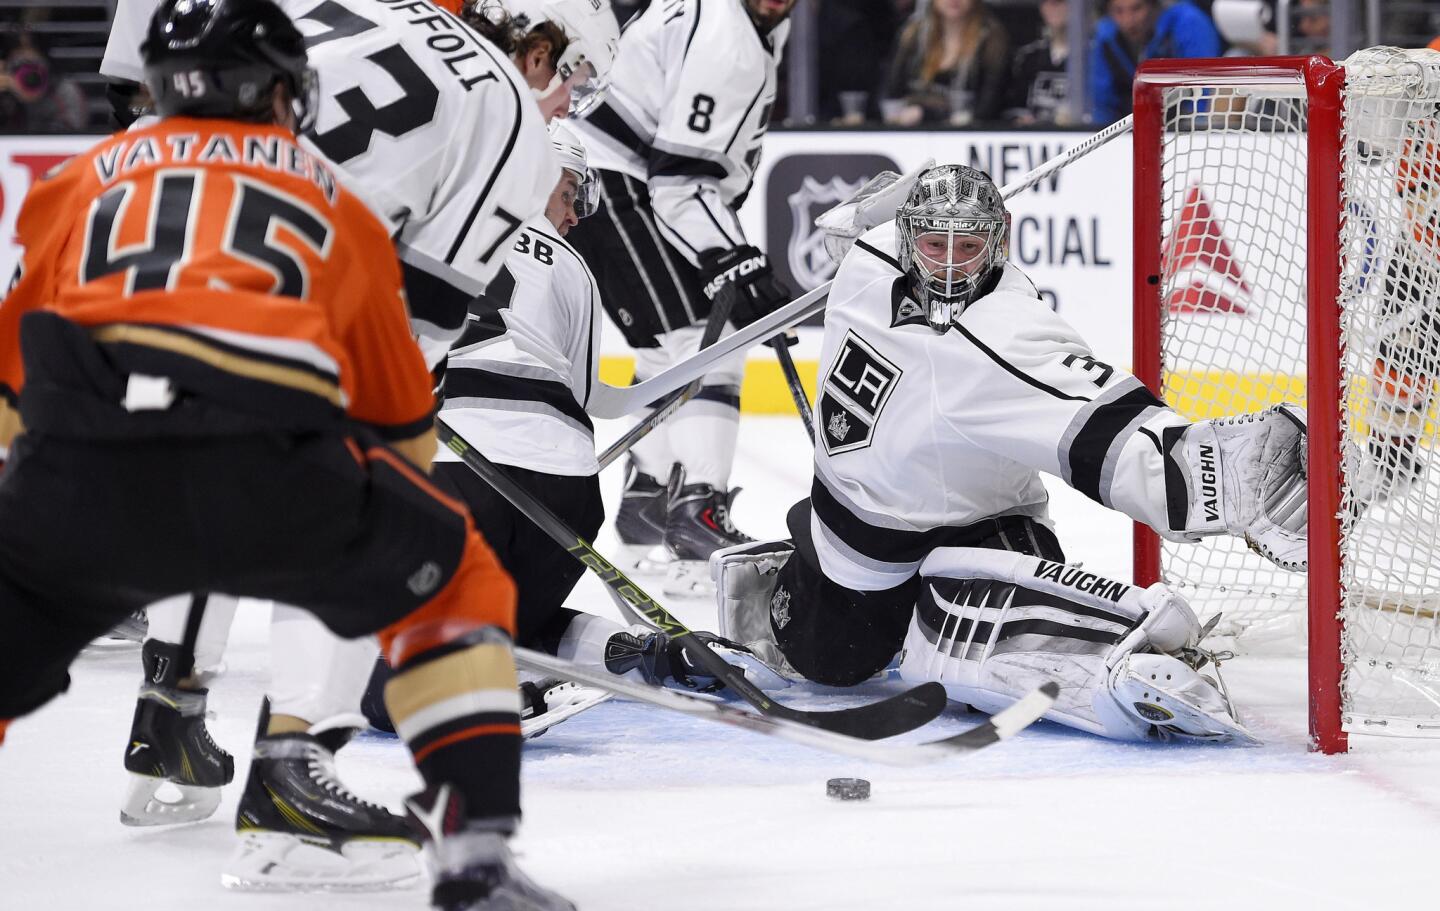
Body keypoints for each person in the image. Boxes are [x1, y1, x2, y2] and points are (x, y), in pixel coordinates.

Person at [0, 1, 579, 911]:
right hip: (267, 456)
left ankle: (168, 717)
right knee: (440, 559)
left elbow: (19, 359)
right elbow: (395, 400)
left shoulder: (80, 175)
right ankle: (324, 786)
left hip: (78, 464)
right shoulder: (361, 179)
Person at [709, 164, 1310, 745]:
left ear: (998, 243)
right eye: (932, 243)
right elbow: (856, 220)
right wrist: (894, 199)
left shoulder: (1005, 336)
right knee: (828, 661)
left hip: (978, 535)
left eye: (966, 245)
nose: (947, 264)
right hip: (845, 550)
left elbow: (1118, 434)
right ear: (905, 237)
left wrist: (1238, 474)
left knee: (956, 636)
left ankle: (1122, 649)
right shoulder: (870, 256)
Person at [361, 120, 790, 733]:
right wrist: (690, 375)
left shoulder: (435, 233)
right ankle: (646, 652)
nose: (576, 215)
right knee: (507, 618)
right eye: (570, 194)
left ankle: (476, 693)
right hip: (565, 495)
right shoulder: (572, 265)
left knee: (359, 653)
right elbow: (597, 397)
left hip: (455, 472)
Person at [567, 0, 797, 598]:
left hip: (598, 174)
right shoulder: (727, 33)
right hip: (611, 182)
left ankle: (648, 503)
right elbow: (679, 178)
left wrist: (730, 257)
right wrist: (733, 260)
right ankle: (698, 514)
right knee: (704, 342)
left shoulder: (745, 23)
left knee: (666, 348)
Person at [1090, 0, 1223, 125]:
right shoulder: (1106, 36)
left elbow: (1203, 91)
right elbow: (1102, 103)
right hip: (1131, 129)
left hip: (1185, 127)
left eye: (1137, 9)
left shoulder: (1189, 22)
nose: (1128, 21)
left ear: (1154, 5)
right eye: (1118, 11)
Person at [882, 0, 1010, 127]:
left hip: (965, 131)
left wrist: (927, 114)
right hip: (910, 128)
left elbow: (990, 104)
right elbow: (891, 88)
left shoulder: (992, 39)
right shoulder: (913, 34)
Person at [1007, 0, 1070, 126]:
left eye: (1060, 1)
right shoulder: (1028, 56)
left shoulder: (1093, 56)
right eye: (1046, 1)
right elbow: (1015, 107)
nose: (1053, 6)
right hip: (1035, 139)